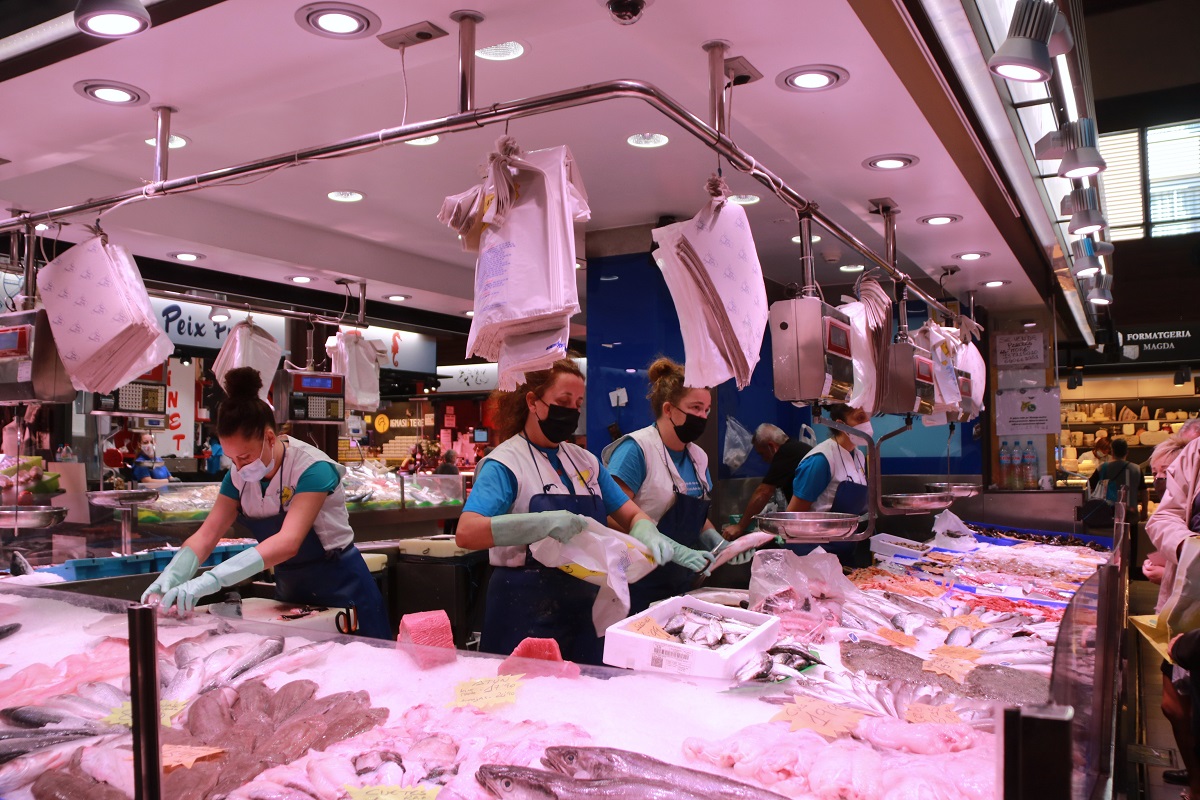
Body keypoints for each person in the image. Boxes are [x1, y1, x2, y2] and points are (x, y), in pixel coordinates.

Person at [456, 357, 709, 664]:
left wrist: (648, 533)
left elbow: (631, 514)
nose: (572, 411)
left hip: (585, 607)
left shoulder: (585, 461)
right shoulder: (505, 463)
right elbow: (467, 532)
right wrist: (541, 523)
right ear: (533, 402)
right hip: (523, 608)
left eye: (577, 403)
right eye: (563, 401)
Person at [142, 367, 389, 639]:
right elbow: (207, 535)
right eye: (232, 459)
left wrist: (211, 580)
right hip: (290, 593)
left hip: (344, 589)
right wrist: (173, 575)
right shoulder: (237, 477)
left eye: (245, 457)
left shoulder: (313, 468)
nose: (238, 466)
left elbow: (288, 541)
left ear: (270, 438)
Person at [601, 358, 739, 611]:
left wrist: (718, 544)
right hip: (637, 580)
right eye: (696, 407)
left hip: (680, 579)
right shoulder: (636, 449)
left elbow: (695, 516)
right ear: (668, 409)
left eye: (706, 410)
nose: (702, 417)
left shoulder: (698, 457)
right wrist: (664, 544)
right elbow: (610, 513)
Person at [1147, 422, 1200, 793]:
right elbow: (1163, 517)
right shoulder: (1197, 455)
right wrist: (1186, 550)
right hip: (1190, 610)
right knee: (1178, 704)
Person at [722, 423, 813, 541]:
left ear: (771, 446)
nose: (764, 459)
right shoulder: (797, 448)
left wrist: (740, 526)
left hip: (809, 523)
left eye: (762, 454)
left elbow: (763, 493)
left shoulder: (785, 453)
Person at [787, 404, 871, 515]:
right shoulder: (821, 460)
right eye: (860, 418)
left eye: (867, 418)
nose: (867, 424)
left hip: (852, 530)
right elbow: (793, 515)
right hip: (821, 531)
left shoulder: (859, 455)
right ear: (841, 425)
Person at [1082, 437, 1143, 528]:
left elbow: (1089, 485)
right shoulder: (1136, 468)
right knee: (1131, 539)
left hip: (1108, 513)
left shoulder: (1103, 467)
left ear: (1112, 451)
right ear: (1127, 452)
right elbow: (1144, 491)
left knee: (1110, 539)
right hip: (1131, 514)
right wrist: (1144, 510)